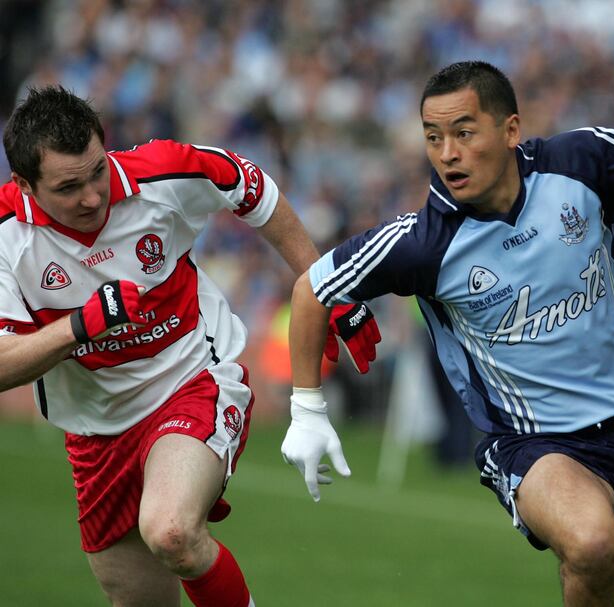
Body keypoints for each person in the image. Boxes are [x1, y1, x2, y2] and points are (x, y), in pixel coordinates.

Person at [281, 61, 614, 605]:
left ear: (510, 130)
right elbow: (311, 289)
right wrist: (307, 409)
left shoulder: (580, 162)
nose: (447, 153)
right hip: (536, 444)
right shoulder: (423, 243)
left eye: (464, 132)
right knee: (590, 544)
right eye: (433, 137)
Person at [0, 86, 380, 607]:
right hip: (95, 430)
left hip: (193, 380)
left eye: (97, 172)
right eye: (69, 187)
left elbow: (253, 190)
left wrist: (324, 286)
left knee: (171, 530)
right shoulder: (5, 237)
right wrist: (79, 327)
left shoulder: (160, 172)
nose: (92, 196)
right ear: (23, 183)